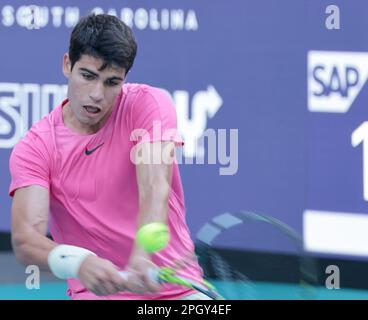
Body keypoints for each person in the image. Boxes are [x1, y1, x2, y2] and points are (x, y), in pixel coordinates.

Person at [9, 13, 205, 300]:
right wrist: (80, 262)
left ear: (124, 79)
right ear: (67, 65)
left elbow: (155, 188)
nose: (97, 94)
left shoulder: (148, 105)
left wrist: (142, 253)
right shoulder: (36, 147)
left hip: (177, 291)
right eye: (87, 76)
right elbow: (26, 239)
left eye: (112, 82)